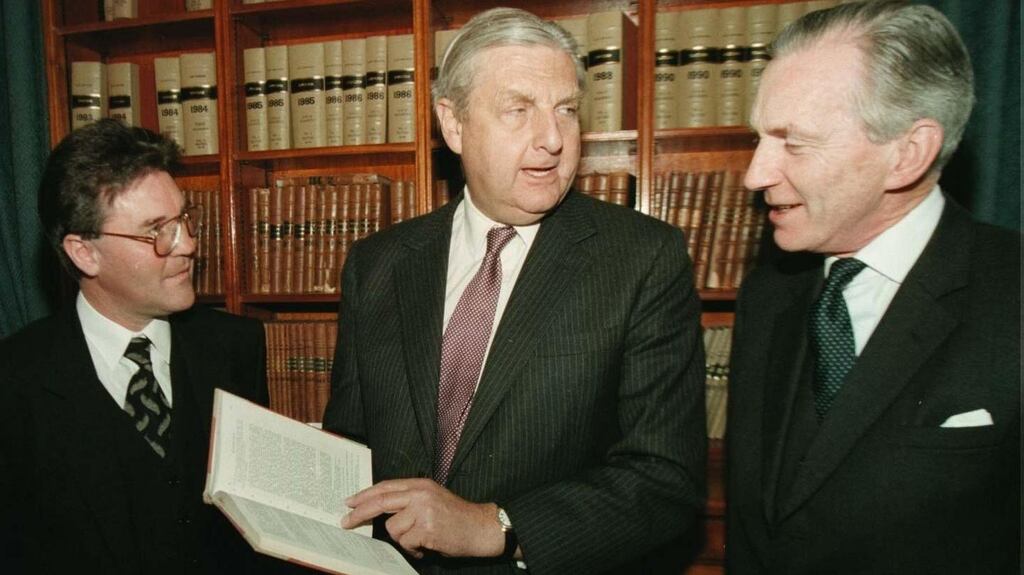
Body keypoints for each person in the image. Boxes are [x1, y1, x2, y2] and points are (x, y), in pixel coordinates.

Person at [323, 7, 707, 574]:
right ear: (452, 124)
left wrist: (499, 526)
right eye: (518, 110)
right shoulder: (377, 264)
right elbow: (350, 444)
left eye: (567, 111)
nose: (553, 139)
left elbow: (664, 479)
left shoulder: (641, 259)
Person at [726, 2, 1021, 573]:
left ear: (907, 155)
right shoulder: (768, 294)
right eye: (760, 138)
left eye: (795, 142)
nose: (755, 174)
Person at [0, 119, 273, 573]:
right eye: (156, 230)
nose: (187, 244)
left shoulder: (235, 346)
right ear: (84, 252)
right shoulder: (15, 380)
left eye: (185, 219)